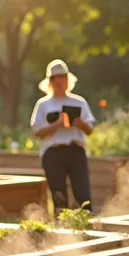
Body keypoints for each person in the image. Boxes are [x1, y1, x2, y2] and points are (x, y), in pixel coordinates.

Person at [30, 59, 96, 212]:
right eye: (56, 78)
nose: (59, 81)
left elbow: (89, 129)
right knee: (58, 195)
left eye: (62, 77)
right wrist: (58, 124)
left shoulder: (79, 102)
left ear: (67, 80)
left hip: (75, 150)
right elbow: (37, 132)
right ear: (50, 82)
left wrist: (78, 123)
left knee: (83, 194)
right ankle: (61, 231)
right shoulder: (43, 104)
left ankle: (86, 225)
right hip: (53, 153)